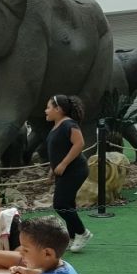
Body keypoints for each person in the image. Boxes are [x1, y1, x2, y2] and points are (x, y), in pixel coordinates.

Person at [45, 95, 93, 253]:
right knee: (67, 204)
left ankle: (82, 232)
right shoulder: (56, 125)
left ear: (58, 109)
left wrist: (64, 164)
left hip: (75, 170)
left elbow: (79, 144)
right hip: (63, 172)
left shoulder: (69, 124)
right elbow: (58, 150)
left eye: (49, 107)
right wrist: (53, 169)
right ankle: (72, 236)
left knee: (60, 204)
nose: (46, 111)